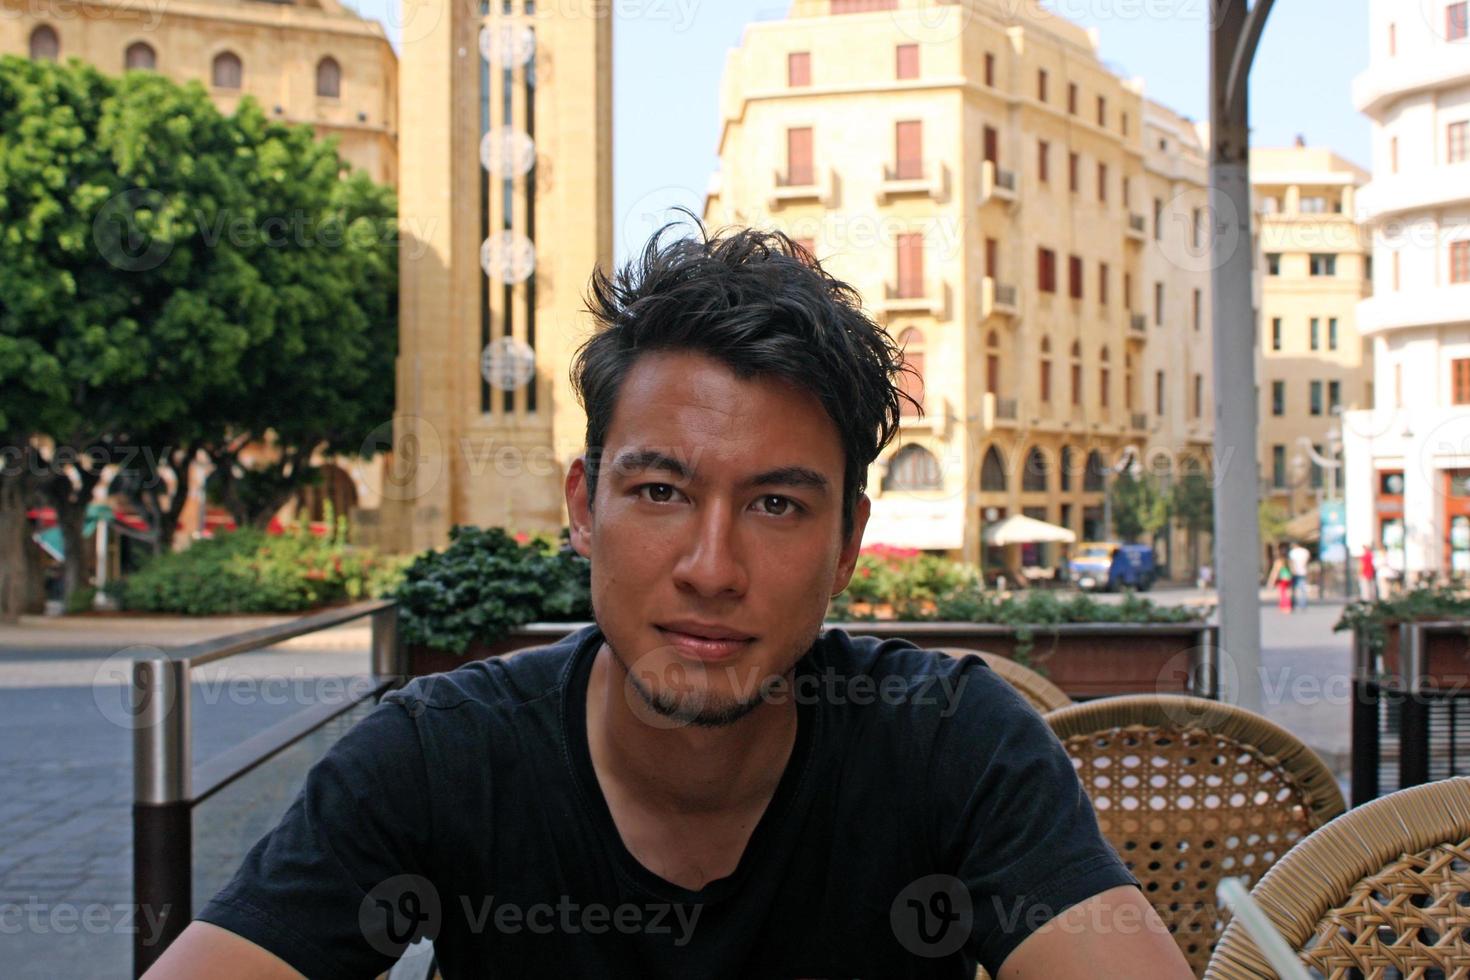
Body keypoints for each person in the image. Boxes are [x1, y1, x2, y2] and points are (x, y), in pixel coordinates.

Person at [145, 223, 1191, 979]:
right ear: (584, 509)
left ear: (846, 548)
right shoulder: (442, 753)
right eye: (660, 490)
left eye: (777, 503)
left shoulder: (952, 743)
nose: (710, 563)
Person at [1268, 546, 1294, 613]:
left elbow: (1275, 572)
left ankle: (1285, 607)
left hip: (1282, 579)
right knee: (1288, 593)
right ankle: (1288, 606)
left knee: (1282, 593)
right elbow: (1292, 570)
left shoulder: (1278, 562)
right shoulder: (1289, 561)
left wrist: (1271, 581)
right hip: (1288, 578)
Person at [1288, 541, 1311, 611]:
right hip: (1303, 572)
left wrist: (1292, 570)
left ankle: (1293, 605)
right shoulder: (1305, 551)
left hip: (1295, 572)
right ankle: (1303, 605)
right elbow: (1307, 561)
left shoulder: (1292, 552)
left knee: (1293, 589)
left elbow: (1291, 562)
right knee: (1303, 589)